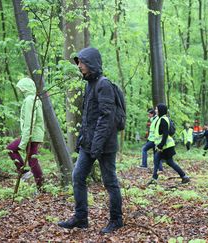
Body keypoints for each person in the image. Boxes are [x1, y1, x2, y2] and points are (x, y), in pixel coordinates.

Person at [58, 47, 123, 234]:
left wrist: (97, 145)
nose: (79, 66)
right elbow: (88, 118)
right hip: (90, 144)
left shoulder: (104, 85)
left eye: (81, 62)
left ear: (91, 62)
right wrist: (82, 139)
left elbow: (106, 117)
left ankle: (116, 220)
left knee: (110, 182)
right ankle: (81, 218)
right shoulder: (89, 84)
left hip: (105, 145)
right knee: (78, 176)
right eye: (78, 62)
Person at [6, 77, 45, 190]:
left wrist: (24, 141)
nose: (20, 90)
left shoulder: (29, 100)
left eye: (21, 88)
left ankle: (24, 172)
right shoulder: (36, 99)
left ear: (25, 88)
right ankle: (41, 187)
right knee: (33, 160)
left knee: (10, 148)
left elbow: (29, 122)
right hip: (35, 134)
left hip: (31, 134)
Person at [148, 103, 190, 185]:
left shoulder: (163, 119)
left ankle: (184, 176)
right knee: (159, 160)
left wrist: (161, 145)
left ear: (160, 110)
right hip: (165, 146)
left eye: (156, 109)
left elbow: (165, 134)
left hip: (166, 146)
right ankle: (184, 177)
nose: (155, 110)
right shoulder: (161, 119)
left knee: (167, 161)